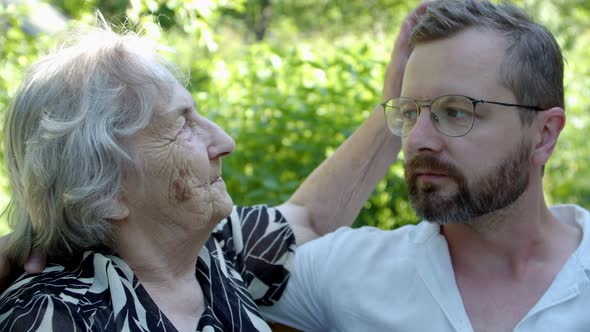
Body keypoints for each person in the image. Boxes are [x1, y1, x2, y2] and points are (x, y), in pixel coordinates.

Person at [0, 10, 407, 331]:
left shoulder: (213, 253)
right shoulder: (54, 316)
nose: (225, 142)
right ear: (105, 189)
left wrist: (398, 105)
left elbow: (311, 219)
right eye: (182, 125)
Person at [262, 0, 590, 331]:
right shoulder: (344, 276)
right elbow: (223, 259)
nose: (417, 140)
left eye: (455, 111)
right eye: (408, 113)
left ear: (544, 135)